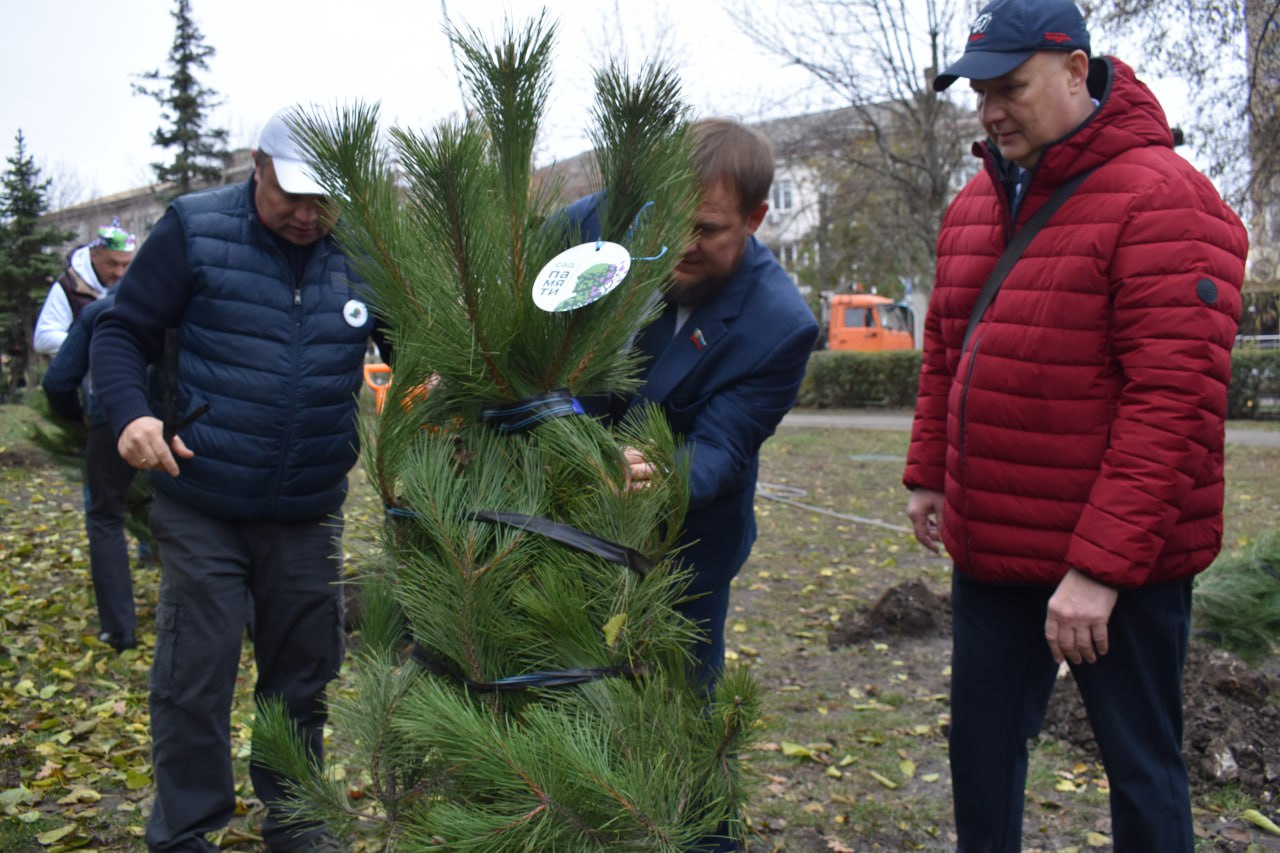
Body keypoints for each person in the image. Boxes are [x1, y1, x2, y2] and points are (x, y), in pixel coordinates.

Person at [902, 0, 1249, 850]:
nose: (991, 111)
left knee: (1141, 768)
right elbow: (945, 347)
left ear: (1075, 70)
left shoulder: (1165, 199)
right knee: (981, 755)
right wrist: (929, 472)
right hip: (994, 545)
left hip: (1120, 572)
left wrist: (1099, 569)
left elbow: (1174, 402)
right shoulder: (974, 205)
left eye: (1010, 87)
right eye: (980, 92)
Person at [92, 106, 384, 853]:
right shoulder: (195, 229)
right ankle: (185, 828)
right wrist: (131, 414)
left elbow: (417, 344)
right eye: (292, 194)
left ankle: (297, 819)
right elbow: (122, 330)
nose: (307, 214)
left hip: (309, 510)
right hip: (202, 498)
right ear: (257, 166)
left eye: (324, 199)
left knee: (303, 676)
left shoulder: (367, 248)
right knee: (196, 672)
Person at [567, 118, 819, 689]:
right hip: (560, 532)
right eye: (670, 217)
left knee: (678, 712)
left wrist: (661, 474)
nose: (679, 243)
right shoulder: (601, 223)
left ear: (755, 219)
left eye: (705, 229)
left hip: (682, 559)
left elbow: (722, 447)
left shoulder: (778, 325)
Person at [42, 291, 142, 652]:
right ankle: (244, 620)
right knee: (203, 515)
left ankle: (119, 629)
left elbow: (57, 381)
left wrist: (76, 418)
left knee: (105, 516)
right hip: (183, 418)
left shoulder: (99, 311)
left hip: (111, 421)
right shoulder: (189, 300)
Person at [34, 219, 135, 356]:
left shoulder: (133, 285)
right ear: (93, 255)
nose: (119, 273)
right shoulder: (68, 287)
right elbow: (43, 339)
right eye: (112, 264)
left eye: (125, 265)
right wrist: (95, 341)